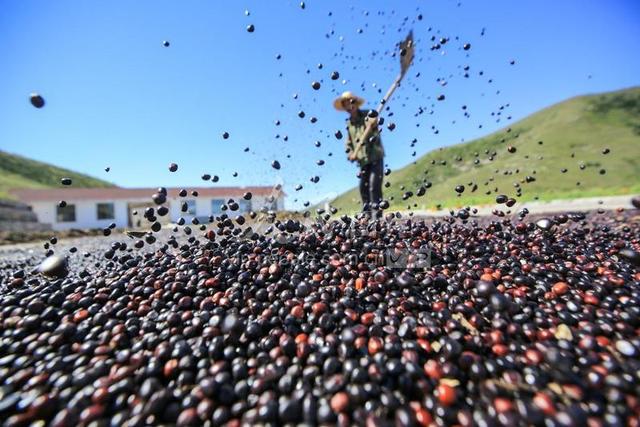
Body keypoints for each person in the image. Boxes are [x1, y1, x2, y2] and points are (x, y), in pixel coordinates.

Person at [334, 91, 384, 219]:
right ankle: (367, 216)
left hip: (375, 156)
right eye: (346, 105)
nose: (349, 107)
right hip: (362, 160)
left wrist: (373, 124)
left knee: (374, 185)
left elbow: (375, 126)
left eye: (350, 103)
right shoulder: (349, 124)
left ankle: (377, 218)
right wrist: (351, 153)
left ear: (355, 103)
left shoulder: (368, 114)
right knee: (363, 187)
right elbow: (349, 142)